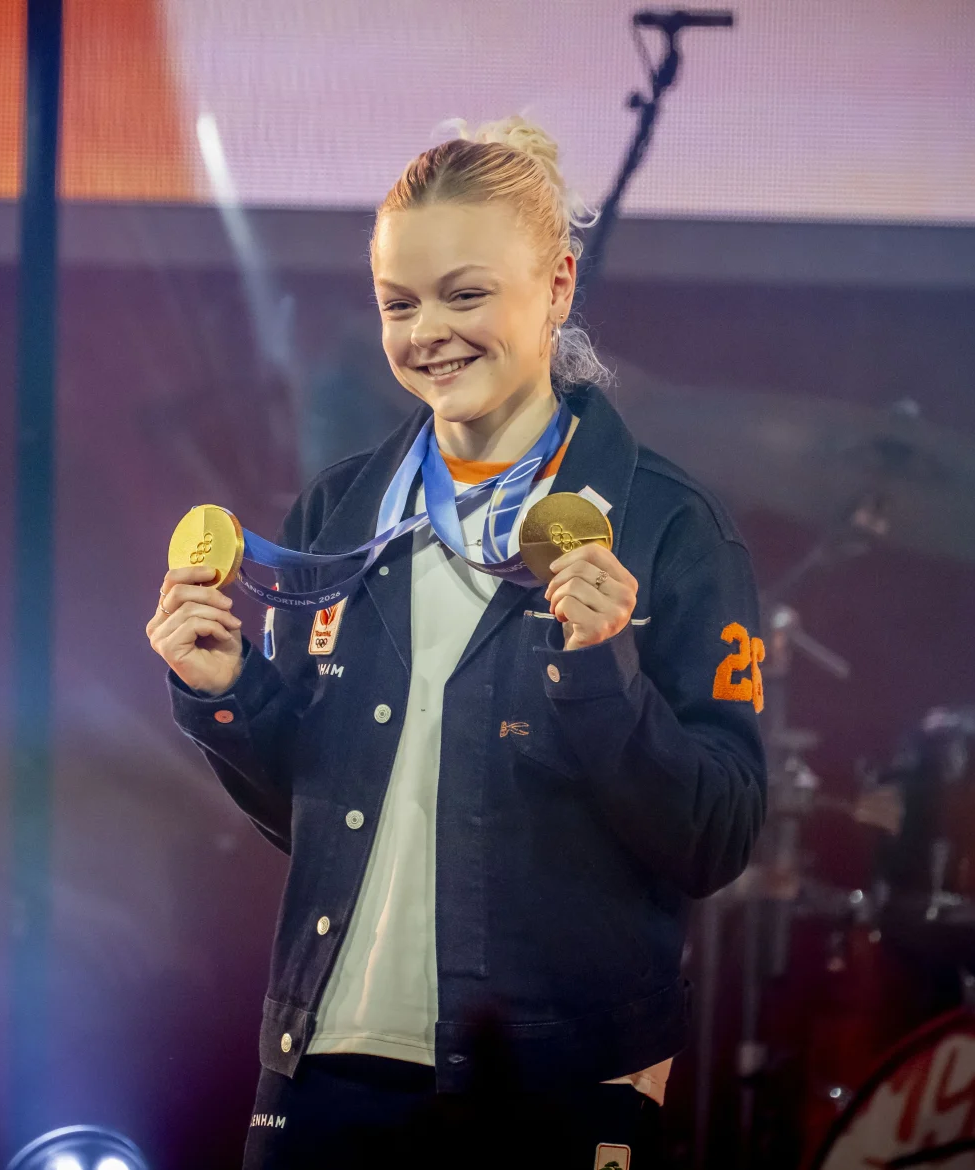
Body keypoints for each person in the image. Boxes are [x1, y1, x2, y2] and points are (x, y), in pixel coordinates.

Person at [147, 116, 767, 1170]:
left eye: (465, 294)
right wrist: (228, 697)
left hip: (555, 1082)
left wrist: (601, 672)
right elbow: (316, 815)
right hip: (324, 1066)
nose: (429, 330)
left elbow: (714, 837)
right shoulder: (340, 510)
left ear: (559, 284)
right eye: (400, 303)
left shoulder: (666, 527)